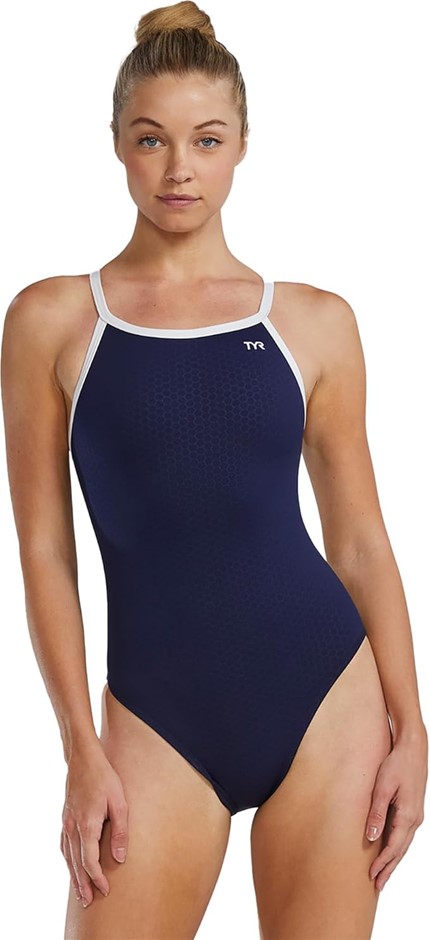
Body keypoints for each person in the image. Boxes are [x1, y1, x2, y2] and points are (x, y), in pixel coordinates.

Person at [1, 2, 428, 938]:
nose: (179, 169)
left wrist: (414, 729)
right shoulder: (53, 321)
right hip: (153, 719)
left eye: (207, 139)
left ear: (242, 145)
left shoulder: (314, 321)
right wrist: (79, 746)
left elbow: (360, 541)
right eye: (151, 139)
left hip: (329, 700)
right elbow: (43, 549)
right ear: (118, 143)